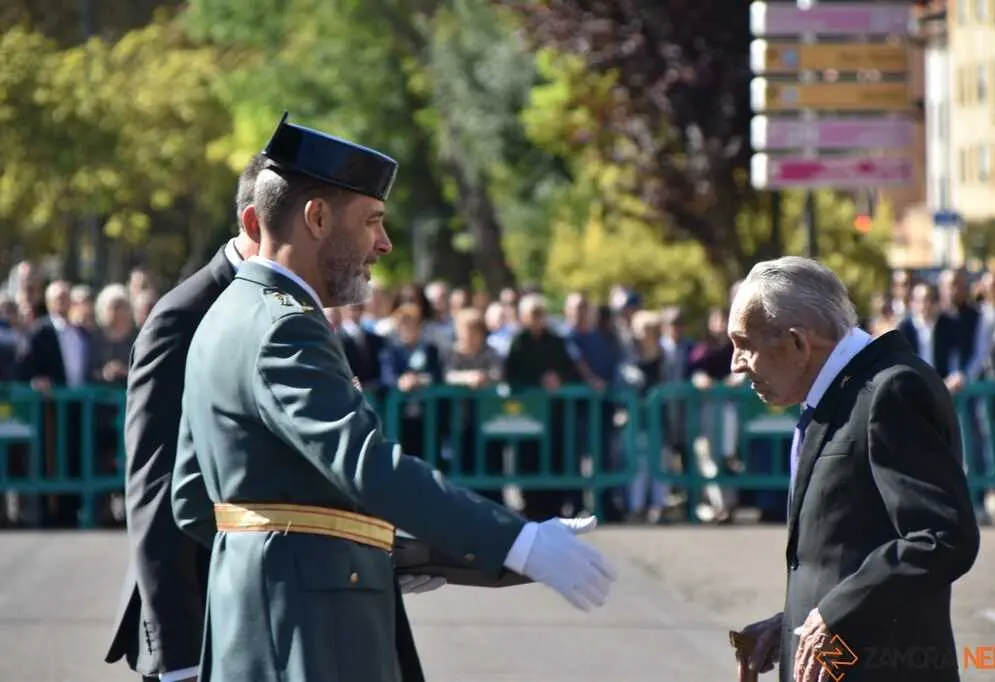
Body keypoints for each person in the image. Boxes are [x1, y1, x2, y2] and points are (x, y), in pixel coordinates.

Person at [170, 113, 617, 682]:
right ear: (316, 216)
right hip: (310, 628)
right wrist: (518, 540)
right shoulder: (285, 327)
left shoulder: (228, 315)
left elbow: (192, 502)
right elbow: (365, 464)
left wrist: (372, 545)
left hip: (263, 619)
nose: (382, 243)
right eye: (373, 221)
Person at [726, 257, 979, 682]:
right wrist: (790, 625)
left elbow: (942, 537)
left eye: (743, 344)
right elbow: (850, 547)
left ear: (798, 343)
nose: (735, 364)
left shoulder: (891, 389)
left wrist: (833, 615)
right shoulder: (838, 396)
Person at [104, 153, 269, 682]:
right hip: (201, 625)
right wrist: (178, 658)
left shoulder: (282, 303)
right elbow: (153, 487)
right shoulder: (183, 315)